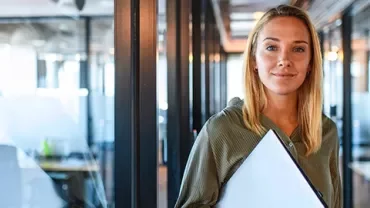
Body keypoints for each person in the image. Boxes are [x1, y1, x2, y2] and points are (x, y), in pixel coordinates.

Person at [174, 4, 342, 208]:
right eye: (272, 47)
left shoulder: (326, 131)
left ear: (310, 63)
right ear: (254, 59)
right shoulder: (221, 131)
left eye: (298, 49)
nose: (284, 60)